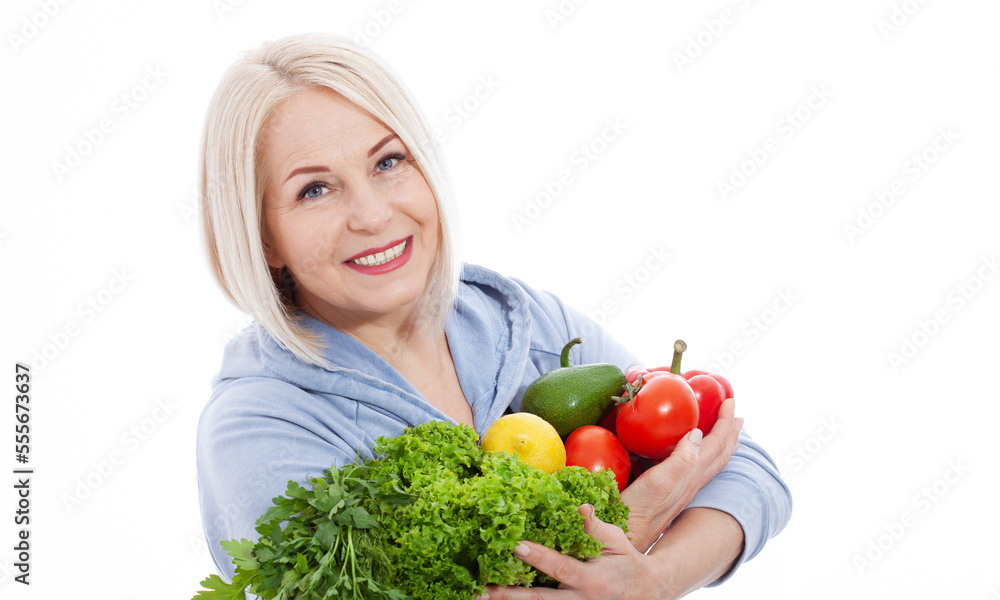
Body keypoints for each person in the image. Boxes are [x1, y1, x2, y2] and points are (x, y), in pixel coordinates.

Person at [195, 32, 792, 599]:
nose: (373, 216)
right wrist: (635, 523)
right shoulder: (259, 427)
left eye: (388, 162)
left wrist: (653, 580)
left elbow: (746, 471)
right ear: (260, 236)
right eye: (315, 191)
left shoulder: (516, 319)